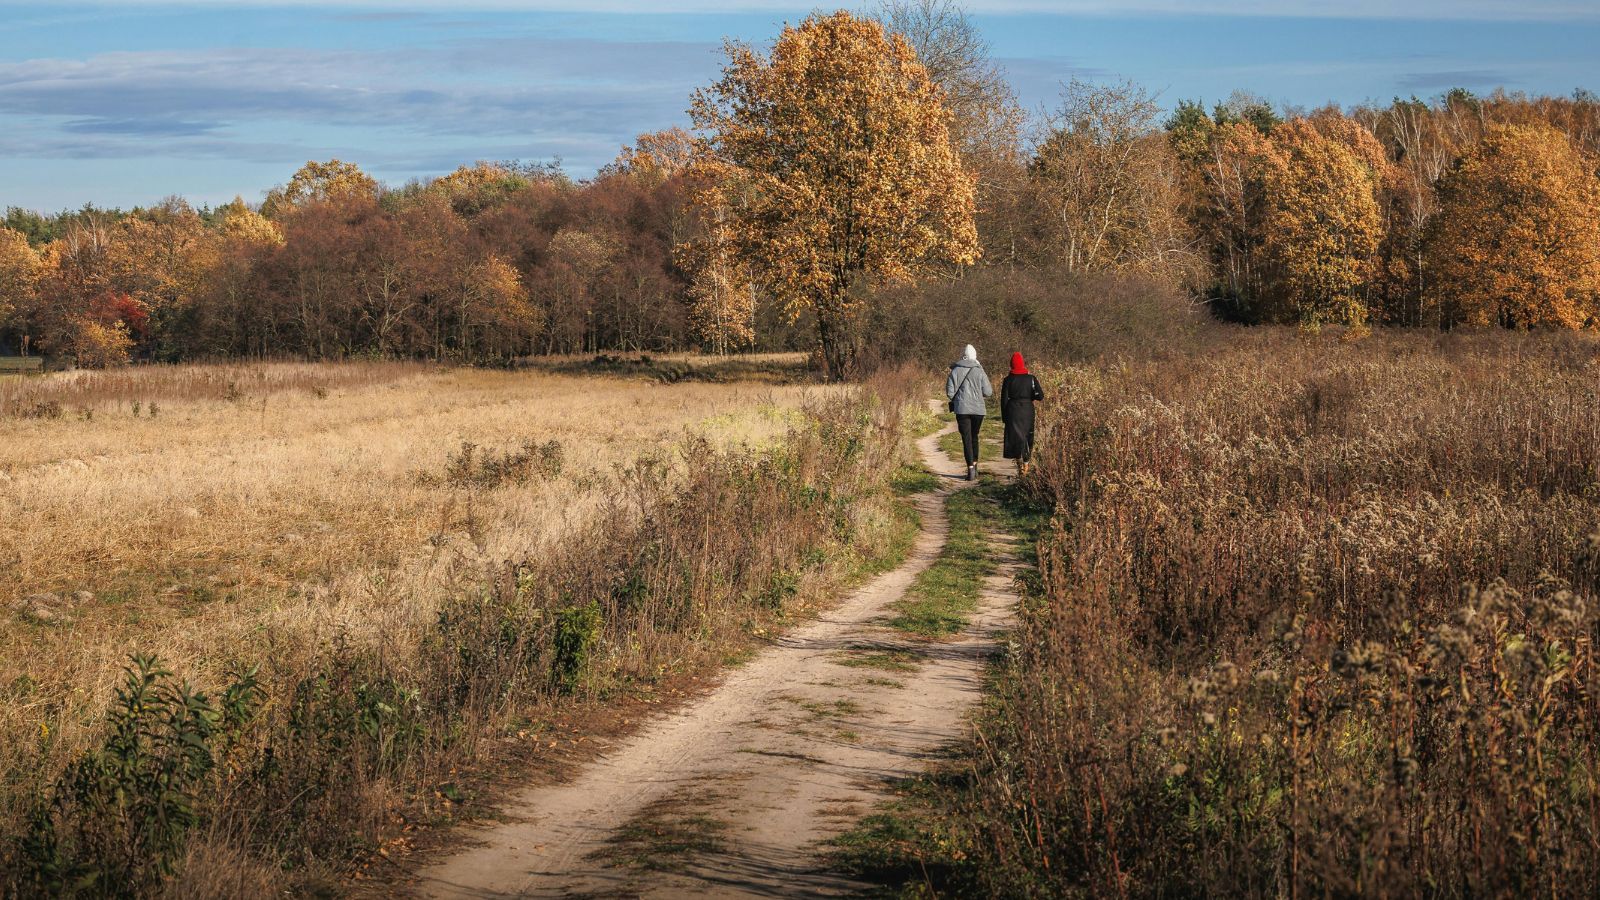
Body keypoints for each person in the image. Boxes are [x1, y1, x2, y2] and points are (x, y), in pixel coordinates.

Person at [945, 344, 992, 481]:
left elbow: (950, 393)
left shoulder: (955, 371)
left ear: (962, 355)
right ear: (975, 356)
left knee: (966, 439)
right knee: (974, 436)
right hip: (978, 410)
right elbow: (988, 392)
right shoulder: (980, 371)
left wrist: (959, 398)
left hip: (962, 410)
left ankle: (970, 469)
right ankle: (975, 466)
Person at [1000, 352, 1044, 476]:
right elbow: (1040, 396)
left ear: (1011, 365)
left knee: (1015, 438)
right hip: (1028, 410)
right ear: (1023, 363)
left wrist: (1004, 417)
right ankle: (1026, 464)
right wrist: (1031, 395)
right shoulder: (1031, 378)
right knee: (1027, 437)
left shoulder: (1008, 380)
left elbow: (1003, 400)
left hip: (1013, 410)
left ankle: (1019, 463)